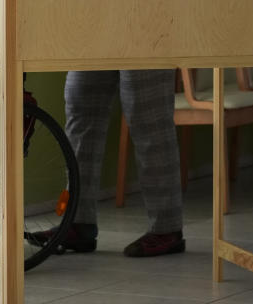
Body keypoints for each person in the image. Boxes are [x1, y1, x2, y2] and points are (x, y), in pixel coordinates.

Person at [51, 69, 185, 257]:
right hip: (94, 39)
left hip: (146, 41)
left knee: (147, 115)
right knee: (80, 101)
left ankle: (167, 229)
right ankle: (78, 222)